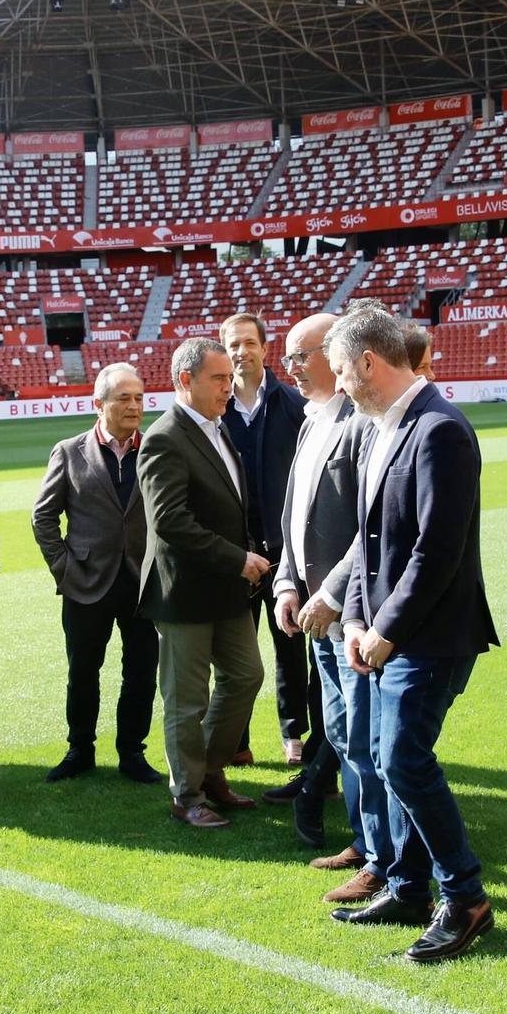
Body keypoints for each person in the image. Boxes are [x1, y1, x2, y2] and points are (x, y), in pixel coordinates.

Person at [327, 303, 500, 963]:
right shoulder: (379, 428)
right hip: (383, 634)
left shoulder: (440, 429)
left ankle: (465, 895)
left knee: (403, 758)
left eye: (342, 368)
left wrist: (386, 631)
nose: (339, 380)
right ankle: (406, 886)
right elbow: (371, 546)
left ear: (369, 361)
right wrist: (352, 619)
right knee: (384, 756)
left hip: (431, 636)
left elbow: (436, 550)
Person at [268, 313, 390, 900]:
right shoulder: (310, 421)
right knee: (343, 733)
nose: (289, 367)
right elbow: (294, 521)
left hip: (350, 617)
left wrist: (331, 594)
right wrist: (287, 583)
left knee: (365, 738)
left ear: (336, 352)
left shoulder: (361, 424)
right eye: (287, 357)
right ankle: (367, 844)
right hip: (315, 614)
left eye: (300, 355)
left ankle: (383, 858)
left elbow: (369, 530)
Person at [138, 336, 267, 828]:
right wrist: (237, 559)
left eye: (229, 378)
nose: (228, 388)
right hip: (185, 592)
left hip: (226, 587)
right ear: (184, 381)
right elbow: (170, 521)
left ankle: (210, 773)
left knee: (246, 676)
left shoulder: (217, 427)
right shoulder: (165, 436)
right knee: (186, 700)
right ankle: (186, 795)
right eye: (218, 379)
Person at [31, 361, 161, 784]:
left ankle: (132, 753)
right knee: (83, 670)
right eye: (123, 398)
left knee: (141, 671)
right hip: (86, 582)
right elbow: (43, 518)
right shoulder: (69, 451)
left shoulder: (156, 448)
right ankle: (79, 749)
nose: (134, 406)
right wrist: (64, 569)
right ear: (99, 404)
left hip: (143, 582)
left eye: (139, 397)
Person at [219, 312, 310, 767]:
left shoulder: (293, 405)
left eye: (248, 343)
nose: (241, 352)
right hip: (234, 555)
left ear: (264, 348)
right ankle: (236, 740)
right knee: (234, 653)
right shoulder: (214, 412)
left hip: (285, 553)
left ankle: (294, 732)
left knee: (291, 647)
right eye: (233, 344)